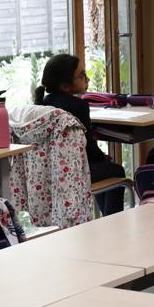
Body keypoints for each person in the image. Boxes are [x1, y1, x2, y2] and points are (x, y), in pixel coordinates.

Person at [34, 54, 128, 215]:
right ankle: (112, 221)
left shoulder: (43, 103)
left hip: (49, 174)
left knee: (103, 167)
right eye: (82, 75)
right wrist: (104, 157)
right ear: (65, 86)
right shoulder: (78, 106)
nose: (88, 79)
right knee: (116, 170)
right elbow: (89, 149)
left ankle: (106, 219)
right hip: (74, 174)